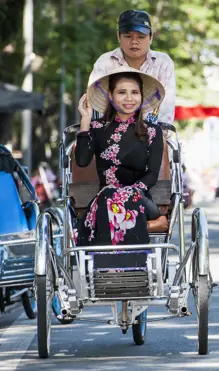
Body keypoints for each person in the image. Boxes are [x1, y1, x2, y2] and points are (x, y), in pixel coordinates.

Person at [75, 66, 165, 246]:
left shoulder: (152, 131)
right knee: (109, 194)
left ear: (141, 96)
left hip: (141, 199)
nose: (129, 98)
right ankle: (109, 269)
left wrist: (129, 192)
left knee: (118, 197)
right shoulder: (98, 128)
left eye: (135, 92)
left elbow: (153, 174)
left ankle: (130, 266)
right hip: (104, 199)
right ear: (110, 95)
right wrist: (85, 121)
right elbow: (82, 161)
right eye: (122, 92)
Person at [88, 9, 175, 124]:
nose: (134, 41)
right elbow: (94, 102)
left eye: (141, 37)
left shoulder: (163, 62)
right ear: (119, 36)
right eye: (128, 36)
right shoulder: (105, 62)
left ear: (151, 37)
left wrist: (161, 135)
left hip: (154, 132)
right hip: (110, 132)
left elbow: (166, 108)